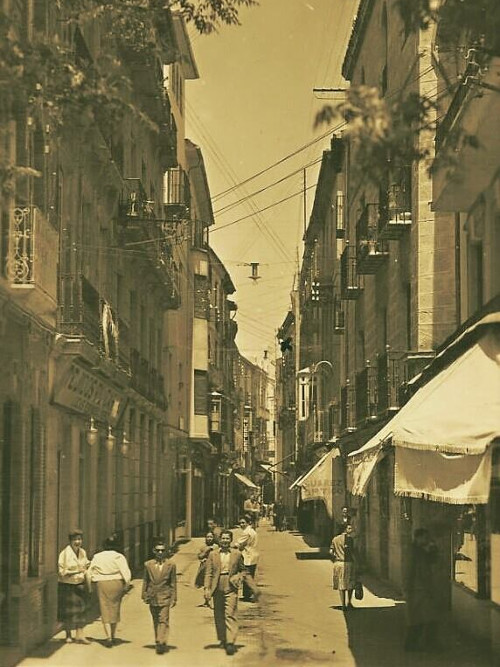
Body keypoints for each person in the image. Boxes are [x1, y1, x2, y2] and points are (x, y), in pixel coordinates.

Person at [204, 529, 246, 656]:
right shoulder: (213, 554)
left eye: (228, 538)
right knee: (219, 613)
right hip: (217, 585)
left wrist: (238, 578)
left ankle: (230, 642)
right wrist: (207, 588)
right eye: (223, 538)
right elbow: (209, 573)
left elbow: (243, 570)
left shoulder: (237, 554)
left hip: (230, 584)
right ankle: (222, 638)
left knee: (230, 613)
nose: (225, 541)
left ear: (231, 540)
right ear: (219, 540)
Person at [87, 534, 131, 647]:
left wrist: (90, 586)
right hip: (117, 583)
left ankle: (108, 637)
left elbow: (89, 573)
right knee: (115, 608)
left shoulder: (97, 556)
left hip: (102, 583)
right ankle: (113, 634)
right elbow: (126, 572)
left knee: (104, 608)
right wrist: (126, 584)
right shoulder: (119, 556)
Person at [404, 528, 441, 652]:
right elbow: (409, 570)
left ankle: (416, 645)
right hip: (418, 590)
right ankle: (420, 645)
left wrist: (433, 547)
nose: (426, 540)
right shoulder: (414, 551)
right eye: (424, 538)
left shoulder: (420, 550)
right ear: (418, 537)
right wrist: (408, 589)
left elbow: (434, 560)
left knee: (423, 618)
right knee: (422, 618)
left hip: (422, 589)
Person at [142, 537, 177, 655]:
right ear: (154, 551)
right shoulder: (148, 565)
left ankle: (161, 641)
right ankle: (158, 638)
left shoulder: (171, 565)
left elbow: (173, 582)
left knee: (164, 619)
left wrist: (174, 597)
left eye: (162, 550)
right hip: (152, 596)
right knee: (155, 619)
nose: (160, 553)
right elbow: (145, 581)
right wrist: (144, 594)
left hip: (165, 596)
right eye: (158, 550)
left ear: (166, 551)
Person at [57, 528, 91, 644]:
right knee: (68, 611)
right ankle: (68, 635)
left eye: (80, 539)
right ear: (70, 541)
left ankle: (80, 635)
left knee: (81, 610)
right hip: (67, 586)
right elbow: (62, 573)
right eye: (75, 540)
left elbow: (85, 565)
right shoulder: (64, 554)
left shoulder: (82, 552)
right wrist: (77, 571)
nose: (78, 542)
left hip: (80, 585)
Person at [330, 522, 358, 610]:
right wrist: (357, 563)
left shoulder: (335, 539)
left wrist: (337, 556)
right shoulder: (349, 539)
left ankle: (342, 605)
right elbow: (352, 552)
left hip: (338, 563)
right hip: (348, 563)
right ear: (345, 529)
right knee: (350, 583)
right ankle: (349, 602)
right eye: (349, 528)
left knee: (341, 585)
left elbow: (331, 552)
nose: (351, 530)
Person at [236, 514, 259, 602]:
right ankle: (248, 594)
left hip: (247, 555)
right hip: (253, 554)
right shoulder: (252, 531)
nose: (241, 525)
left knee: (246, 575)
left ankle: (252, 592)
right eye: (240, 523)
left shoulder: (246, 532)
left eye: (243, 523)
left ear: (248, 523)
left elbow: (238, 544)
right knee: (249, 574)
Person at [195, 531, 218, 604]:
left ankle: (210, 599)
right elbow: (199, 556)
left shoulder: (216, 546)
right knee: (205, 583)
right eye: (208, 537)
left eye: (211, 537)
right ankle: (207, 599)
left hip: (213, 567)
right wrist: (206, 552)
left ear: (213, 538)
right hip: (204, 567)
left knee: (212, 582)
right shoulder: (203, 547)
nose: (209, 539)